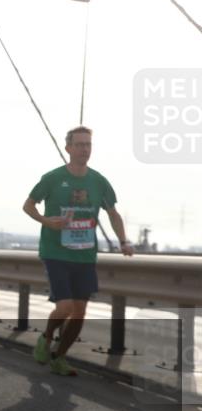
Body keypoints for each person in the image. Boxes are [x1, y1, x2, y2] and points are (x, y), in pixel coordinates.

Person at [23, 126, 134, 376]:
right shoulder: (52, 178)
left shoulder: (99, 181)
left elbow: (113, 213)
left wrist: (124, 241)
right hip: (56, 252)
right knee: (65, 308)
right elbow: (28, 205)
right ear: (68, 148)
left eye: (88, 145)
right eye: (80, 144)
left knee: (80, 311)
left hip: (84, 255)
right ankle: (47, 337)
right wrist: (46, 221)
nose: (85, 149)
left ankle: (59, 357)